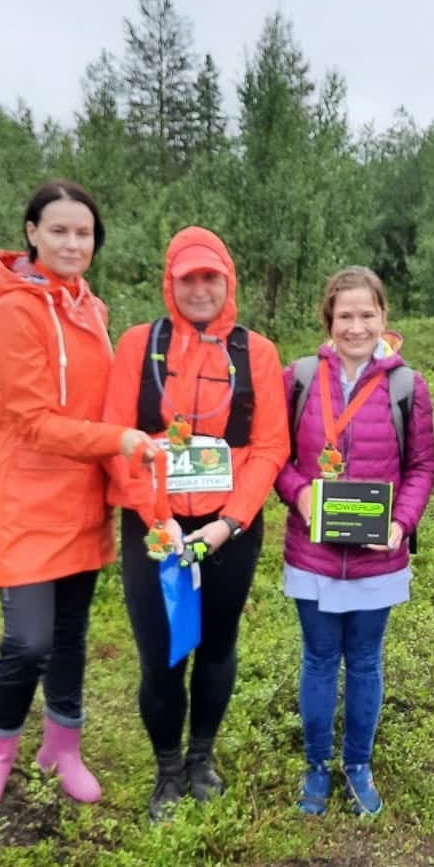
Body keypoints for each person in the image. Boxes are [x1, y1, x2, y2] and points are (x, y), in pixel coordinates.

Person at [0, 181, 155, 810]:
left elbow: (108, 399)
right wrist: (119, 440)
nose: (73, 243)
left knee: (70, 632)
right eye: (59, 231)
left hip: (84, 496)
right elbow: (33, 423)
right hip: (26, 498)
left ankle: (62, 748)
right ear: (32, 233)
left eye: (84, 233)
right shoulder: (13, 312)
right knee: (28, 640)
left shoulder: (90, 310)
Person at [104, 227, 288, 821]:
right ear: (171, 282)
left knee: (215, 646)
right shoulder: (139, 345)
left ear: (228, 281)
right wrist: (157, 519)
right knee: (161, 655)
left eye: (212, 277)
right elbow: (117, 439)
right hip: (153, 528)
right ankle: (166, 771)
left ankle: (200, 758)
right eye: (189, 279)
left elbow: (271, 446)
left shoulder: (256, 353)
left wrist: (231, 522)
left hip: (227, 530)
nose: (201, 289)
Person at [275, 267, 434, 817]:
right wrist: (299, 493)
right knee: (319, 659)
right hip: (313, 554)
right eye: (345, 315)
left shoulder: (406, 386)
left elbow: (422, 466)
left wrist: (401, 523)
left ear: (384, 317)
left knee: (365, 663)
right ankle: (317, 767)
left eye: (367, 314)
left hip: (376, 559)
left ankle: (358, 764)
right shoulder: (298, 378)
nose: (356, 326)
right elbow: (275, 457)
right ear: (329, 319)